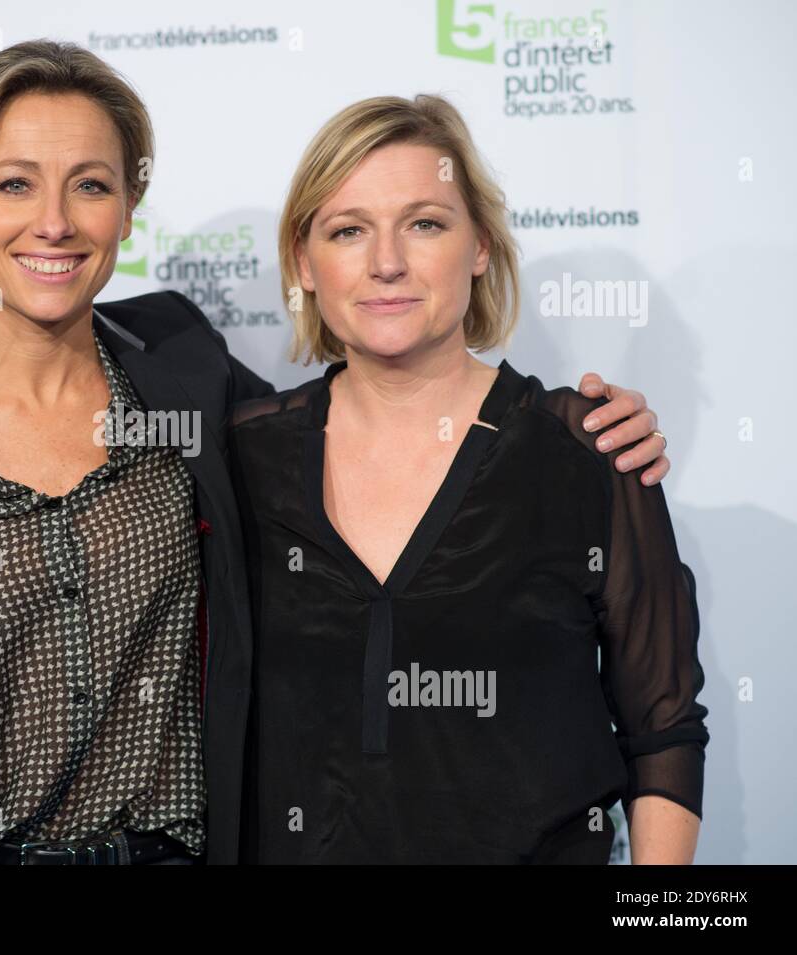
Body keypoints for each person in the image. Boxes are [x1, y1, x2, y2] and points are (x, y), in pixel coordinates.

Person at [0, 40, 674, 866]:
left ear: (129, 206)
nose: (54, 222)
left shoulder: (187, 372)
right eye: (12, 184)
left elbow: (387, 409)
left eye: (90, 183)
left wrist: (589, 422)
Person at [226, 94, 707, 863]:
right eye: (348, 230)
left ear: (480, 245)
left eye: (425, 223)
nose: (387, 261)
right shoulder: (240, 456)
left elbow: (665, 727)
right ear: (303, 263)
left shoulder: (589, 450)